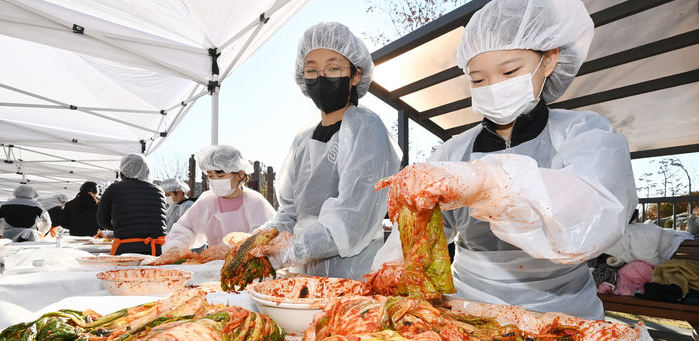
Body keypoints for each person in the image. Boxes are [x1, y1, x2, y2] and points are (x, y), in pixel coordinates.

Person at [376, 0, 638, 320]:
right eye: (478, 79)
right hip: (469, 309)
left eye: (510, 71)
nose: (494, 87)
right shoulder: (452, 152)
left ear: (549, 59)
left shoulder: (585, 135)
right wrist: (387, 274)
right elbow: (413, 241)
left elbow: (594, 217)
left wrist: (489, 184)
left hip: (566, 313)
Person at [251, 22, 400, 280]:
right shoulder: (303, 139)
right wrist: (257, 241)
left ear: (355, 75)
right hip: (302, 277)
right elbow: (289, 213)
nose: (321, 78)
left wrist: (293, 249)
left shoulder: (366, 128)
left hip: (353, 276)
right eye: (311, 71)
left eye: (333, 68)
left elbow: (352, 218)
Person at [157, 145, 275, 262]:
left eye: (221, 175)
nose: (215, 180)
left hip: (248, 270)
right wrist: (175, 248)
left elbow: (267, 240)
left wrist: (240, 253)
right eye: (211, 176)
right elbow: (185, 228)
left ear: (240, 174)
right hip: (212, 270)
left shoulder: (255, 202)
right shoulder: (207, 201)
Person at [97, 154, 167, 255]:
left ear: (122, 173)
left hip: (125, 246)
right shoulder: (159, 190)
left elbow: (102, 219)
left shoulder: (114, 189)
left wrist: (119, 227)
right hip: (157, 248)